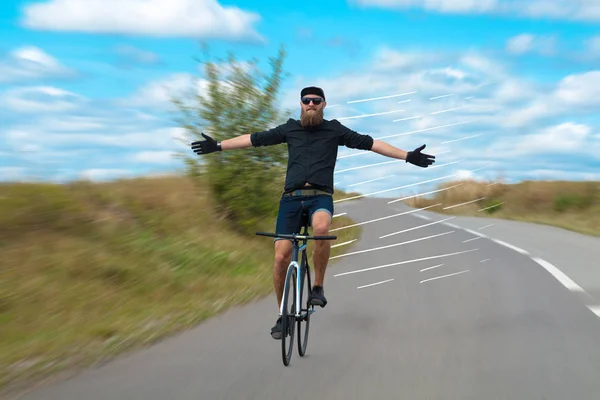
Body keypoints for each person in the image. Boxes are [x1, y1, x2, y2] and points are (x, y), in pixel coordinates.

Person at [191, 86, 435, 339]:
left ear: (323, 104)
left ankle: (317, 287)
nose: (310, 104)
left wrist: (407, 156)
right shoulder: (289, 129)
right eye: (306, 100)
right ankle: (282, 316)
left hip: (320, 197)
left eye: (315, 101)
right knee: (280, 257)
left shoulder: (335, 130)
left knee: (320, 229)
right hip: (290, 200)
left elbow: (371, 143)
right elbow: (254, 139)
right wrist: (218, 146)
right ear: (300, 104)